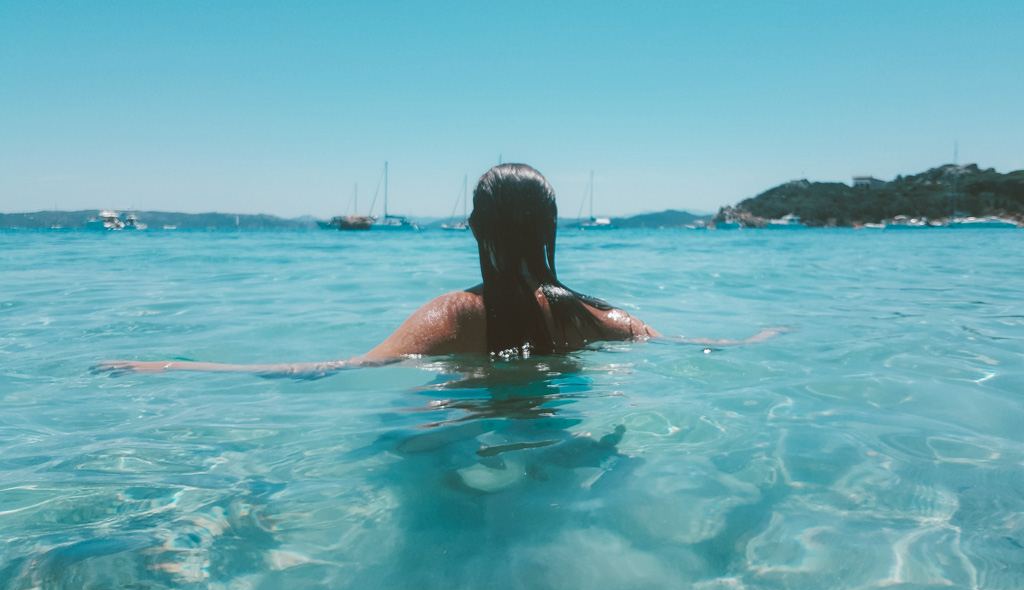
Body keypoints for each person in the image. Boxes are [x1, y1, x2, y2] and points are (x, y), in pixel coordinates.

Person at [97, 164, 780, 376]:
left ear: (476, 226)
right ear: (549, 230)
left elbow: (327, 373)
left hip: (474, 450)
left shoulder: (455, 316)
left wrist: (174, 369)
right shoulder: (596, 316)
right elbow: (690, 348)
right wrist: (760, 340)